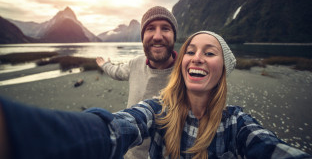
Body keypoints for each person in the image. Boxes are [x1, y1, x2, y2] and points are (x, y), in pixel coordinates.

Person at [0, 31, 310, 159]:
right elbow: (113, 129)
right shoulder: (158, 109)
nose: (197, 57)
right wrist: (21, 132)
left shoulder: (236, 123)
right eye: (191, 51)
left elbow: (271, 148)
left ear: (223, 71)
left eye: (209, 52)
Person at [96, 6, 178, 158]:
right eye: (150, 28)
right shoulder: (135, 63)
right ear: (142, 37)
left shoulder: (187, 71)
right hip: (128, 153)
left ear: (174, 36)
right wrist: (105, 65)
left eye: (165, 28)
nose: (158, 36)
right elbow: (117, 72)